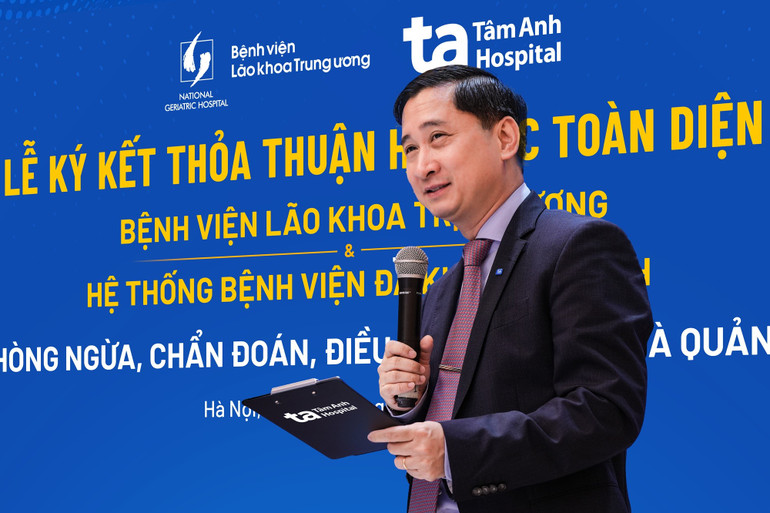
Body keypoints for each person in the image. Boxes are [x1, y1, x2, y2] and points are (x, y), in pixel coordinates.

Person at [367, 65, 652, 513]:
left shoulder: (579, 246)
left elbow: (605, 410)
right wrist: (410, 402)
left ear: (504, 138)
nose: (423, 165)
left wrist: (455, 450)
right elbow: (452, 424)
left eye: (438, 137)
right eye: (409, 148)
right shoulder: (442, 291)